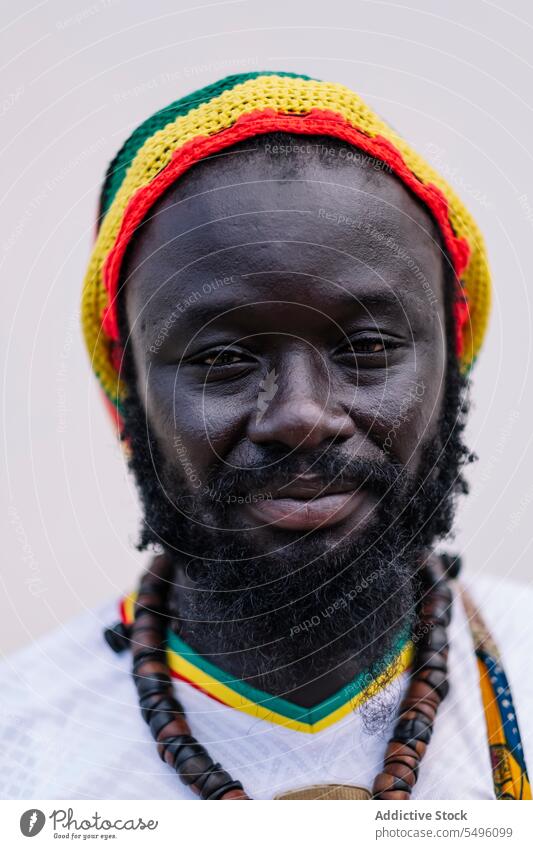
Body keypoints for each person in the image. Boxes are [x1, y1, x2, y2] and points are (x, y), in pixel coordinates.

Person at [2, 71, 532, 801]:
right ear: (129, 393)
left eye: (369, 347)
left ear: (451, 353)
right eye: (222, 359)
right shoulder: (22, 760)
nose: (300, 415)